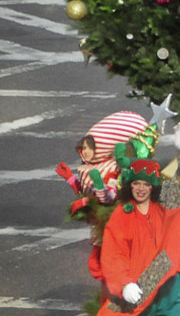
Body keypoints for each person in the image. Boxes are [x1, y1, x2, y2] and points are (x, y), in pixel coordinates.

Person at [97, 124, 180, 316]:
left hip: (165, 276)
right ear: (130, 185)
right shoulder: (122, 214)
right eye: (136, 183)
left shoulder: (165, 204)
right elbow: (113, 255)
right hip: (137, 284)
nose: (141, 189)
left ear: (153, 187)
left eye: (146, 184)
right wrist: (124, 285)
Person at [58, 111, 150, 280]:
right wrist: (71, 180)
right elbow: (86, 193)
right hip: (98, 223)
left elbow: (109, 198)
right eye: (83, 148)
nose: (85, 152)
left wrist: (100, 187)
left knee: (106, 261)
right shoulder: (86, 169)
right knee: (99, 262)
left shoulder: (109, 168)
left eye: (88, 148)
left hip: (111, 222)